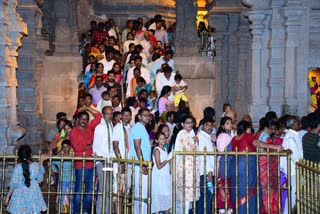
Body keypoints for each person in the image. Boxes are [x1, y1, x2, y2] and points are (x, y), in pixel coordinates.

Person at [69, 106, 102, 214]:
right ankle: (76, 212)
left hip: (90, 164)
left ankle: (86, 211)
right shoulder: (73, 131)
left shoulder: (89, 127)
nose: (84, 121)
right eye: (82, 119)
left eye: (86, 119)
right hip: (79, 165)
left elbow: (99, 116)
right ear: (78, 120)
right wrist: (89, 145)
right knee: (78, 191)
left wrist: (88, 108)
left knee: (89, 191)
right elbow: (77, 148)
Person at [6, 144, 48, 213]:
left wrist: (8, 196)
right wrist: (41, 161)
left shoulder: (18, 167)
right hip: (33, 192)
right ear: (31, 154)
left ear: (19, 155)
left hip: (19, 193)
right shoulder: (36, 166)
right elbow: (40, 179)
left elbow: (13, 183)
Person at [174, 115, 200, 214]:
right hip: (186, 167)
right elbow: (189, 149)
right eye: (187, 123)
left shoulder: (190, 134)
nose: (190, 124)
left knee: (188, 195)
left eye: (191, 123)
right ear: (182, 124)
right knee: (186, 194)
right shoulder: (183, 133)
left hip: (191, 167)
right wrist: (196, 142)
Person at [255, 117, 279, 214]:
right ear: (267, 127)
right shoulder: (265, 135)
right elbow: (267, 150)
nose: (273, 131)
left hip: (259, 165)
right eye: (272, 129)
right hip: (265, 166)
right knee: (268, 191)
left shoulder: (258, 133)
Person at [129, 108, 152, 214]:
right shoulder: (138, 127)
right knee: (140, 193)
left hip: (143, 164)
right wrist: (142, 163)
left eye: (148, 115)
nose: (147, 117)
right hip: (139, 165)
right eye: (144, 115)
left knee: (143, 193)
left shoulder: (142, 128)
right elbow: (137, 146)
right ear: (139, 116)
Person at [93, 106, 114, 214]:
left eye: (111, 113)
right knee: (103, 188)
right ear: (103, 114)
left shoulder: (110, 126)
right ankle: (100, 211)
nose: (109, 116)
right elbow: (95, 146)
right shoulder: (99, 127)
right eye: (107, 113)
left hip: (109, 161)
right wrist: (100, 160)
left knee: (108, 188)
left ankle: (107, 210)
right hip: (102, 162)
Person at [196, 117, 215, 214]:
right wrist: (209, 173)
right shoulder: (202, 138)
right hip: (206, 174)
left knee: (205, 199)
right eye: (207, 125)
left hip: (206, 173)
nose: (210, 127)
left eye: (211, 125)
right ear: (202, 126)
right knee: (205, 200)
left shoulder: (207, 137)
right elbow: (205, 158)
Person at [216, 116, 233, 213]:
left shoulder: (228, 135)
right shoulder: (223, 136)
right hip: (225, 162)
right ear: (222, 125)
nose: (230, 125)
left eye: (230, 123)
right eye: (227, 123)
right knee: (224, 186)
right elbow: (222, 151)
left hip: (228, 162)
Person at [151, 131, 172, 214]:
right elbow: (159, 165)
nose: (163, 140)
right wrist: (168, 160)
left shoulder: (165, 149)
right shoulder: (157, 150)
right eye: (160, 139)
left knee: (167, 196)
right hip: (159, 176)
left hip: (165, 175)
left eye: (164, 138)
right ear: (156, 140)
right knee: (158, 196)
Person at [51, 139, 73, 213]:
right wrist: (56, 170)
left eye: (67, 146)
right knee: (61, 197)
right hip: (62, 179)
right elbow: (51, 162)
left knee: (71, 197)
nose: (65, 148)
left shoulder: (74, 156)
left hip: (72, 179)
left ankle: (71, 211)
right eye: (63, 147)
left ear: (70, 147)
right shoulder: (60, 157)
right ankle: (60, 211)